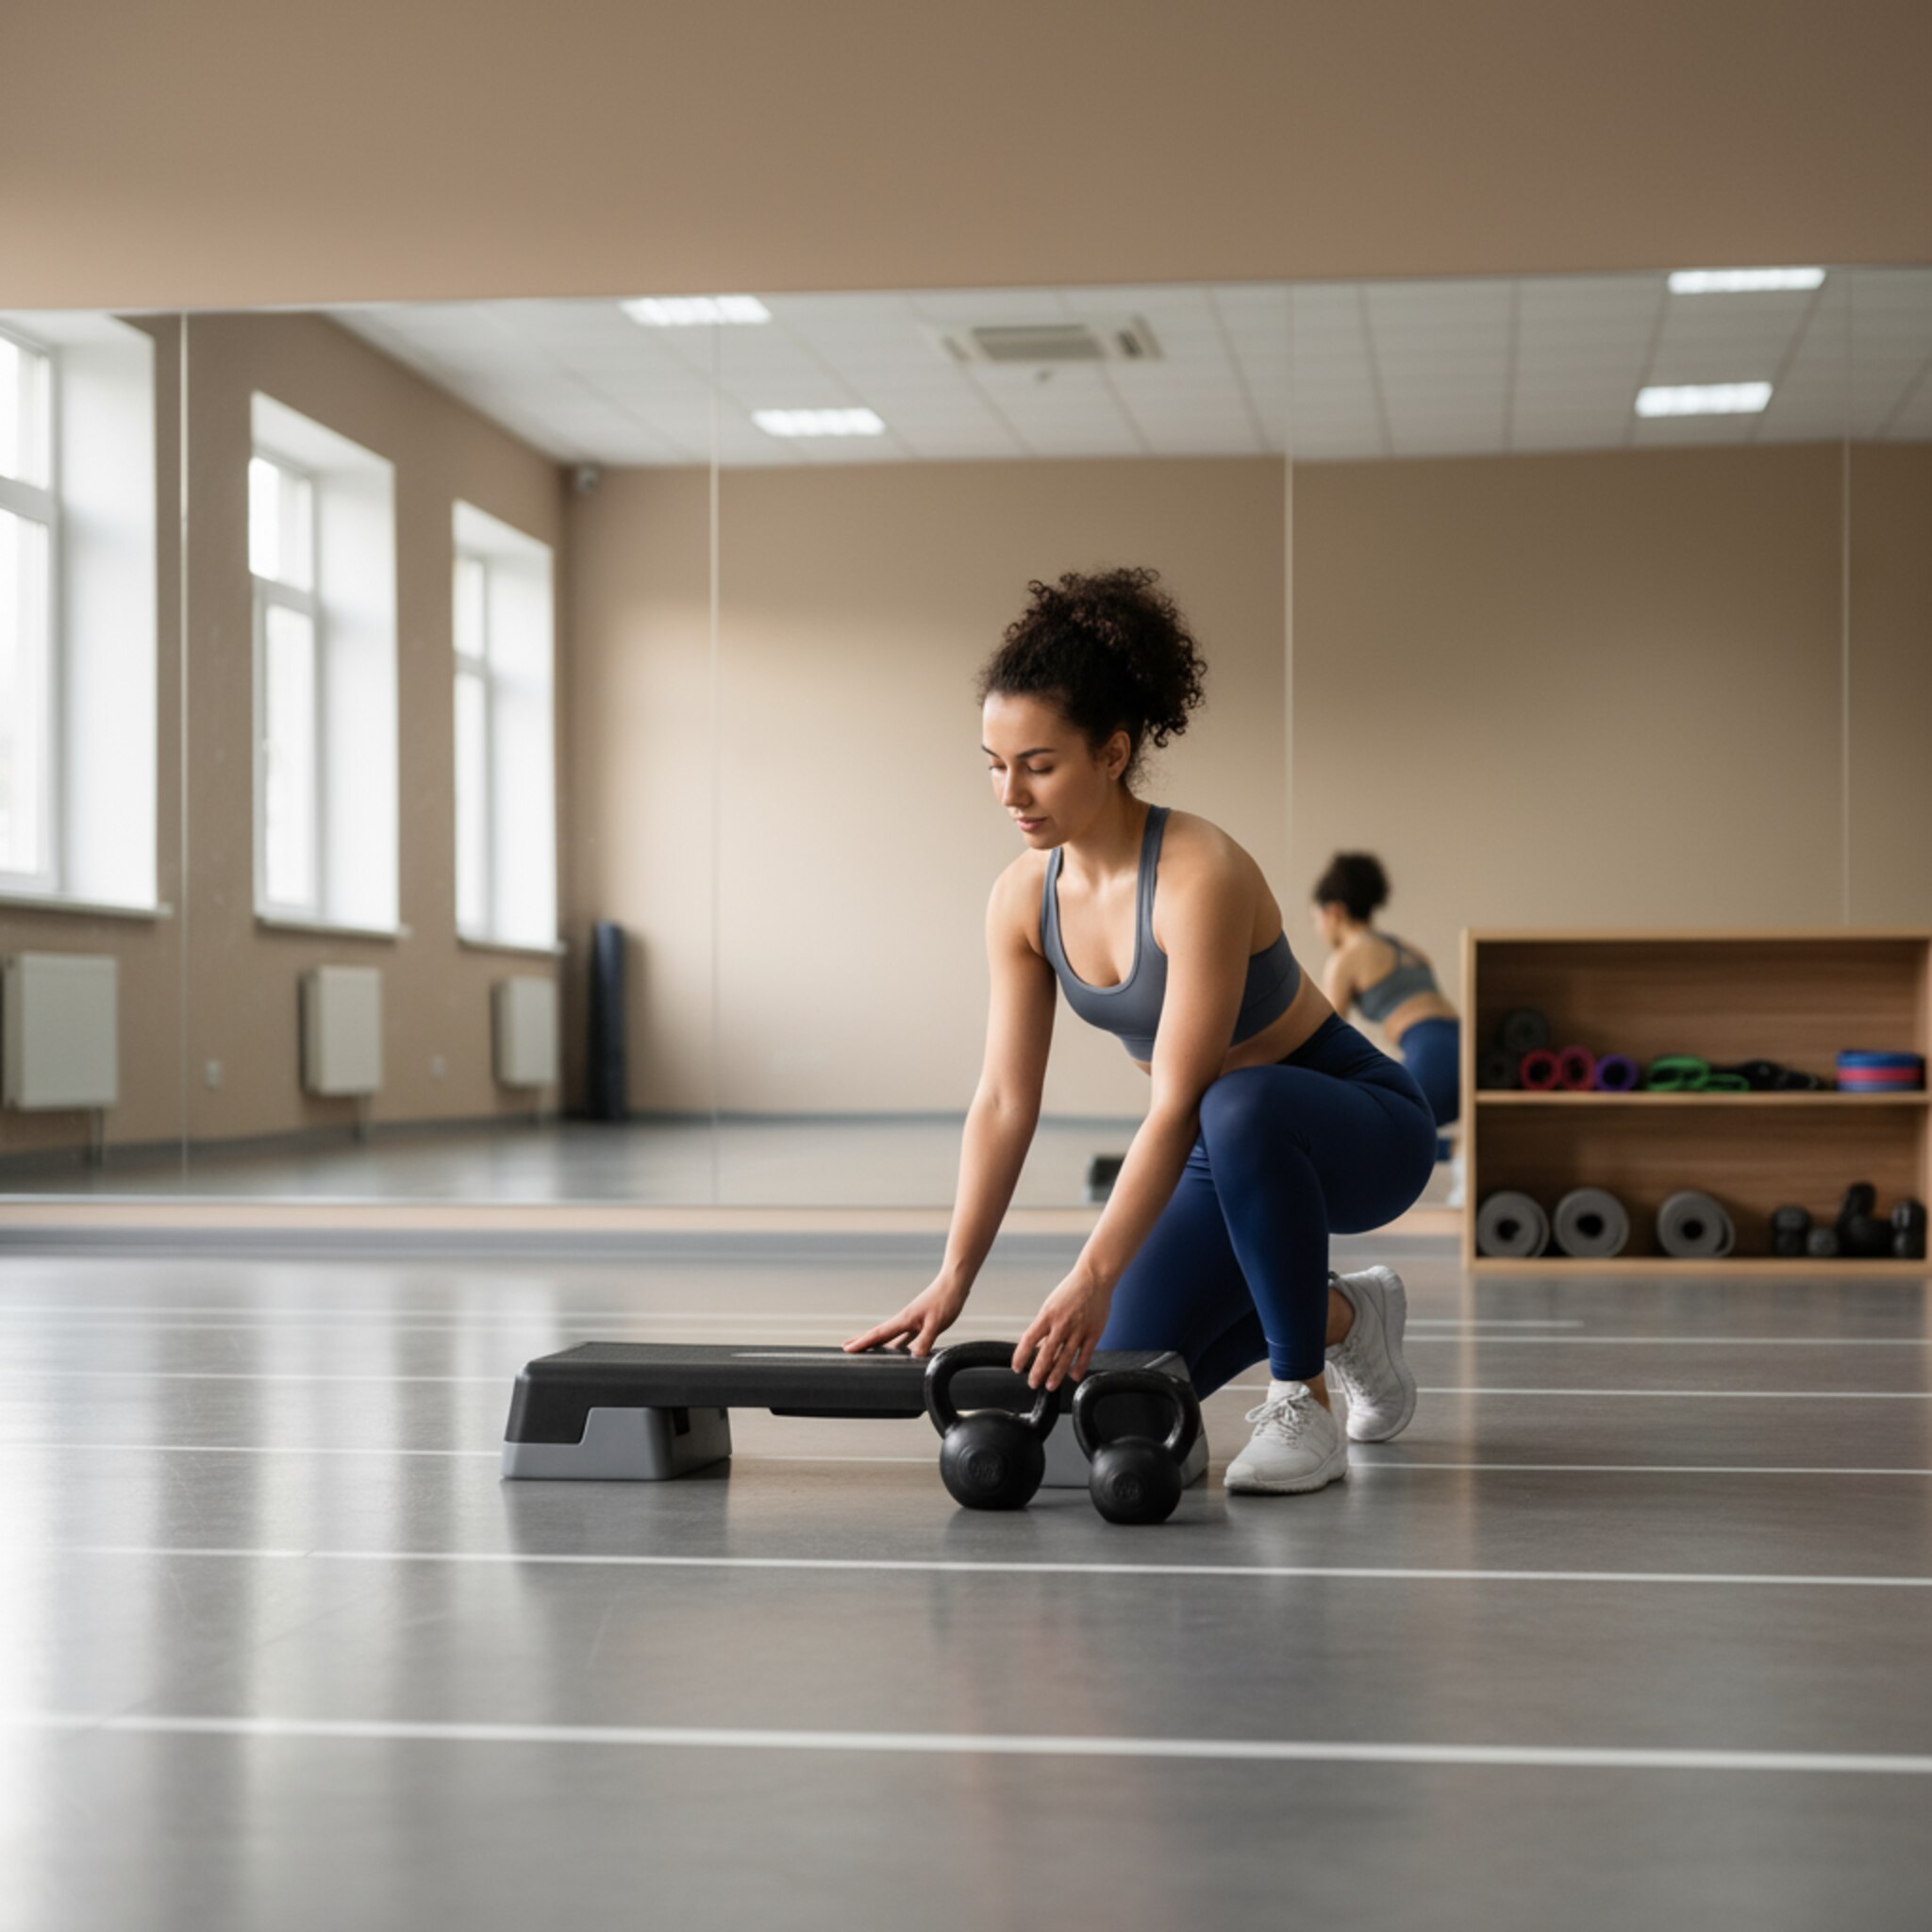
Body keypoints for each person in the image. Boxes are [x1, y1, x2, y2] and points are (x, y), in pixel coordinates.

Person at [844, 568, 1435, 1494]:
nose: (1010, 791)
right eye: (994, 763)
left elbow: (1177, 1100)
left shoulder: (1200, 872)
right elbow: (1003, 1100)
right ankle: (1345, 1319)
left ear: (1112, 753)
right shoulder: (1021, 898)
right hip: (1219, 1147)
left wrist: (1092, 1274)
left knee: (1234, 1104)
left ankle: (1302, 1400)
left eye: (1038, 764)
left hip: (1359, 1129)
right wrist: (952, 1277)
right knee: (1116, 1401)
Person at [1310, 856, 1462, 1179]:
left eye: (1317, 919)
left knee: (1371, 1134)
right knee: (1400, 1128)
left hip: (1432, 1052)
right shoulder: (1408, 949)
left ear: (1334, 912)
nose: (1318, 929)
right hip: (1464, 1046)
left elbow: (1324, 1036)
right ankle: (1456, 1148)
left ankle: (1456, 1149)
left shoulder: (1346, 958)